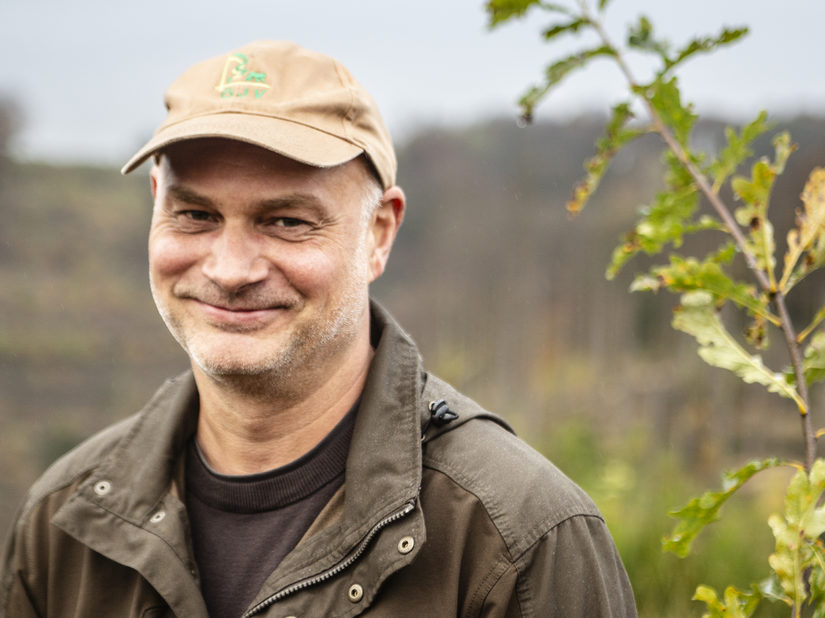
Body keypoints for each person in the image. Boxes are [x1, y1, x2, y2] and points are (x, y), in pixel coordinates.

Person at [1, 41, 637, 617]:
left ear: (379, 234)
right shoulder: (66, 523)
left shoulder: (516, 540)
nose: (230, 269)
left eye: (286, 221)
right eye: (195, 214)